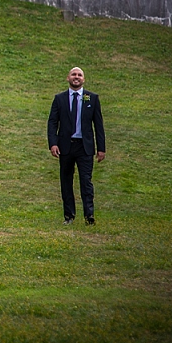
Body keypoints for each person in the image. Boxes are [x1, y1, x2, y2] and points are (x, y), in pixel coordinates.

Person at [47, 67, 106, 225]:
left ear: (83, 79)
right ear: (68, 78)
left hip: (84, 147)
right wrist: (53, 143)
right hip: (65, 146)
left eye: (79, 75)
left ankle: (89, 215)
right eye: (74, 74)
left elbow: (98, 125)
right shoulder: (59, 99)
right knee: (66, 181)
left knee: (86, 182)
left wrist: (101, 148)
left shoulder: (91, 98)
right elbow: (52, 122)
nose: (76, 77)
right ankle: (69, 216)